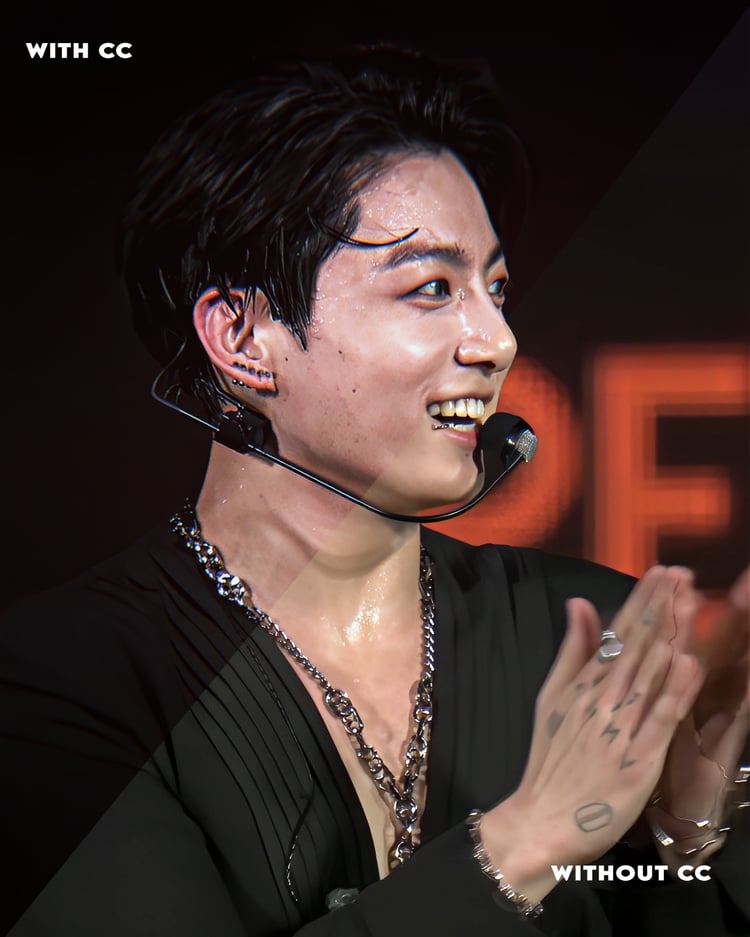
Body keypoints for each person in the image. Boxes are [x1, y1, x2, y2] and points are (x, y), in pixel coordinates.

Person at [1, 47, 748, 936]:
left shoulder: (591, 632)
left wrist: (679, 843)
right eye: (432, 287)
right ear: (242, 339)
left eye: (495, 288)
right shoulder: (61, 680)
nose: (498, 340)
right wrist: (529, 838)